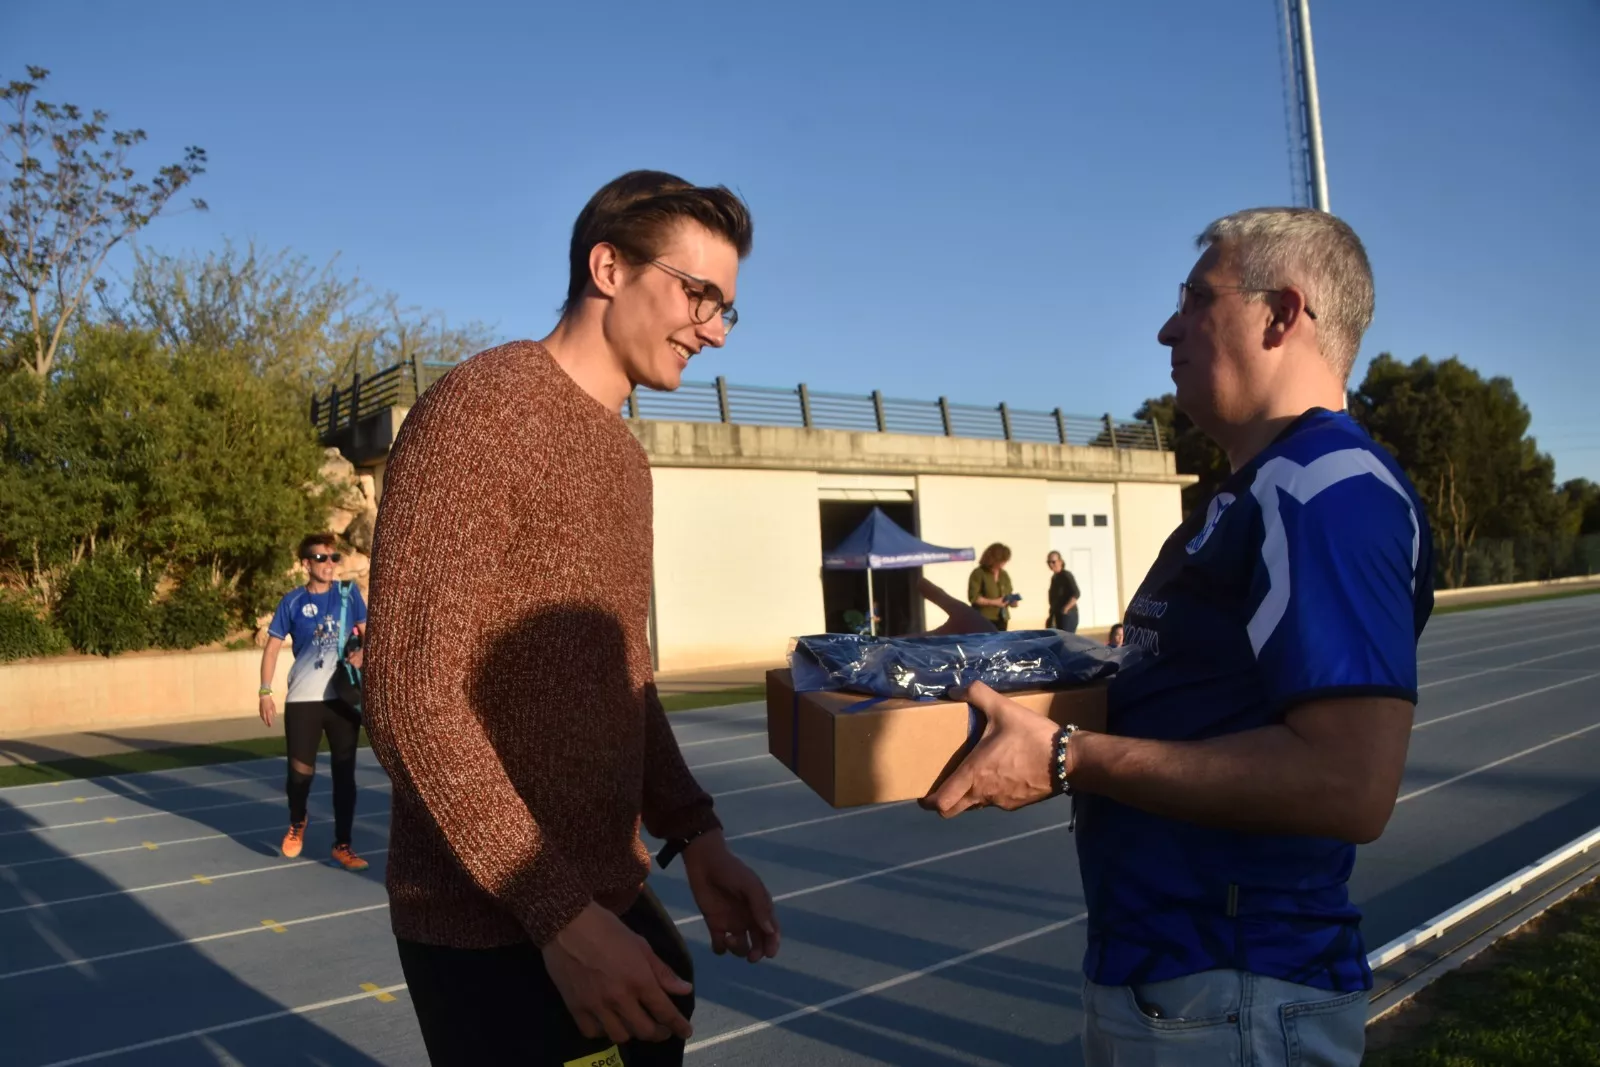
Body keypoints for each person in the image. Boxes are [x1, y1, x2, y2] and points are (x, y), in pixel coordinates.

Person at [925, 208, 1433, 1067]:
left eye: (1196, 297)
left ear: (1281, 314)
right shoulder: (1254, 493)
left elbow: (1349, 782)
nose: (1168, 326)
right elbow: (1184, 699)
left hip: (1234, 988)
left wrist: (1067, 757)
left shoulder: (1324, 491)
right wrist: (1006, 663)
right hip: (1180, 983)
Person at [363, 170, 780, 1066]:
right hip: (498, 932)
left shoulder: (627, 460)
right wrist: (562, 919)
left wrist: (696, 833)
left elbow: (624, 677)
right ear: (608, 267)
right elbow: (408, 693)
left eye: (726, 309)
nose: (713, 329)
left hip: (604, 900)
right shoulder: (485, 410)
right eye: (698, 293)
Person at [258, 533, 369, 872]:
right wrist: (265, 690)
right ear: (306, 564)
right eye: (322, 558)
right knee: (299, 773)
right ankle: (297, 819)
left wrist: (363, 653)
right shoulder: (291, 602)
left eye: (334, 558)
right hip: (303, 699)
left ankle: (343, 845)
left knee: (344, 774)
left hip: (342, 699)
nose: (330, 564)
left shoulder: (350, 596)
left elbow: (371, 634)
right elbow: (273, 647)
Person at [967, 542, 1017, 630]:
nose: (1003, 564)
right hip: (984, 619)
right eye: (1001, 561)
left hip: (1002, 618)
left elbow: (1008, 593)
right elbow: (974, 597)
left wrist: (1012, 601)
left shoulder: (1004, 574)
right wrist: (994, 602)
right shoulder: (978, 573)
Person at [1046, 550, 1081, 631]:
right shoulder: (1054, 577)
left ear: (1060, 562)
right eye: (1048, 562)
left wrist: (1066, 609)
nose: (1051, 564)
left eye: (1053, 562)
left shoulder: (1066, 575)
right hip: (1057, 615)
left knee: (1067, 640)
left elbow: (1076, 593)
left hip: (1067, 616)